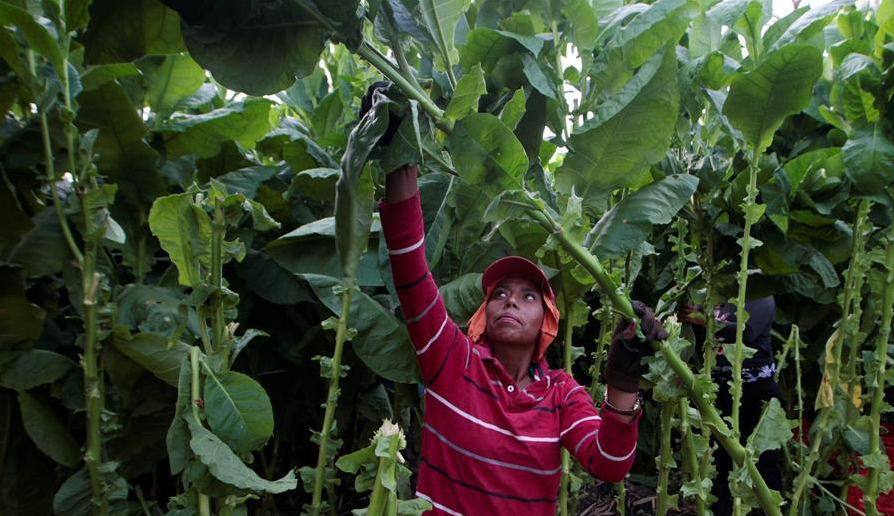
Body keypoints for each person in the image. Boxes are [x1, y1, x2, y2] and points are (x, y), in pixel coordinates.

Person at [680, 297, 783, 516]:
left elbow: (746, 332)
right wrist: (693, 312)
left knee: (762, 459)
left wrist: (704, 320)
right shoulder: (725, 296)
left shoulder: (762, 297)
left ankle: (766, 510)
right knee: (722, 460)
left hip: (756, 389)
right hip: (723, 389)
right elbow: (716, 320)